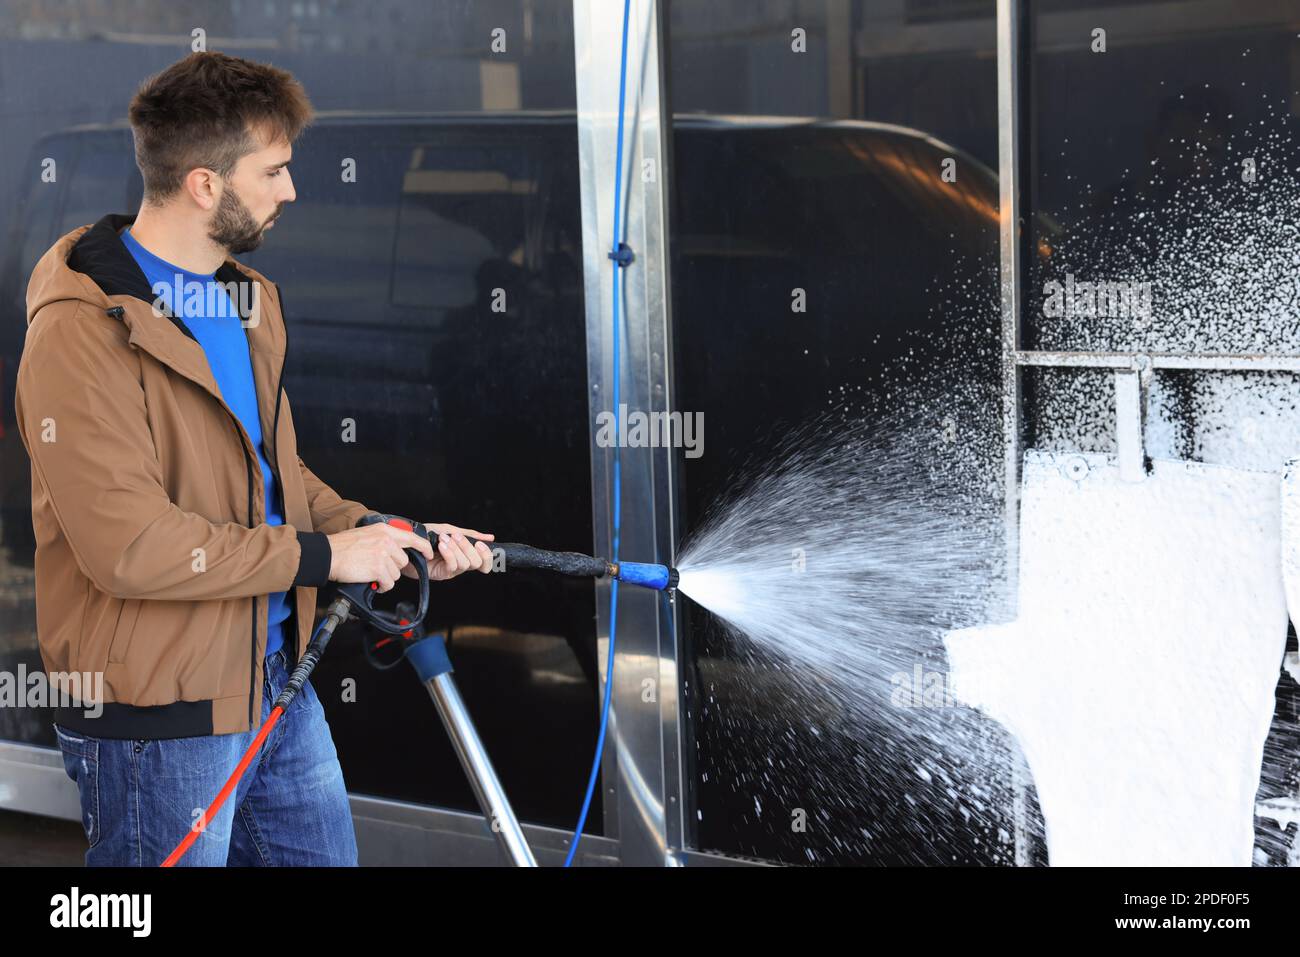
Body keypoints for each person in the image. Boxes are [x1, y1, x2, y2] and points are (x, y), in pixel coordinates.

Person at [13, 50, 495, 866]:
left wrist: (383, 531)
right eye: (273, 171)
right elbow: (128, 544)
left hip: (276, 681)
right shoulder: (79, 331)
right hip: (159, 718)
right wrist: (327, 554)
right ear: (205, 184)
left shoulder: (247, 301)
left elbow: (274, 481)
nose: (291, 190)